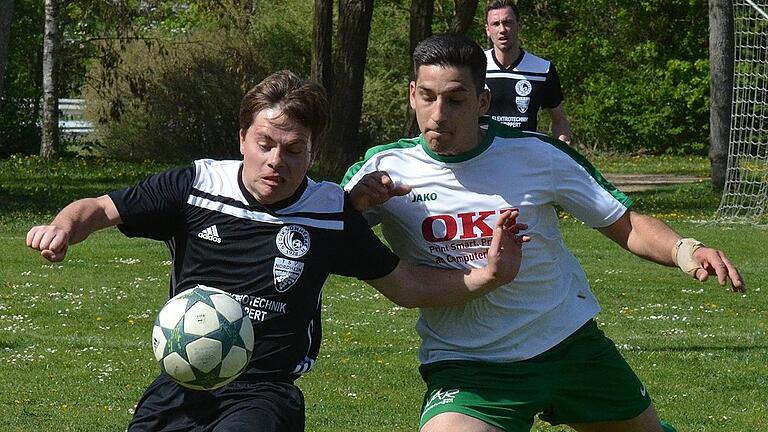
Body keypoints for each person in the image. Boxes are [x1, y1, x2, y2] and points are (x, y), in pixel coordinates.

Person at [25, 70, 530, 432]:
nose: (276, 161)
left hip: (263, 395)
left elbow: (405, 283)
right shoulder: (196, 185)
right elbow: (100, 207)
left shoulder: (329, 212)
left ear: (313, 151)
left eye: (294, 150)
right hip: (180, 381)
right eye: (265, 143)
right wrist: (64, 227)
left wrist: (488, 276)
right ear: (242, 137)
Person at [341, 34, 745, 432]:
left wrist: (684, 250)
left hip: (566, 345)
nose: (439, 113)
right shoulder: (384, 170)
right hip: (468, 367)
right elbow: (325, 235)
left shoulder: (537, 155)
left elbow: (624, 223)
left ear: (482, 101)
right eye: (427, 97)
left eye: (456, 99)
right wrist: (355, 208)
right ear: (412, 94)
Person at [483, 0, 572, 144]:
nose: (502, 30)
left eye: (508, 23)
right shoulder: (475, 67)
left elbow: (559, 120)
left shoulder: (543, 70)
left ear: (519, 26)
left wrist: (563, 145)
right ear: (487, 30)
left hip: (526, 159)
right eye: (495, 24)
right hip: (483, 158)